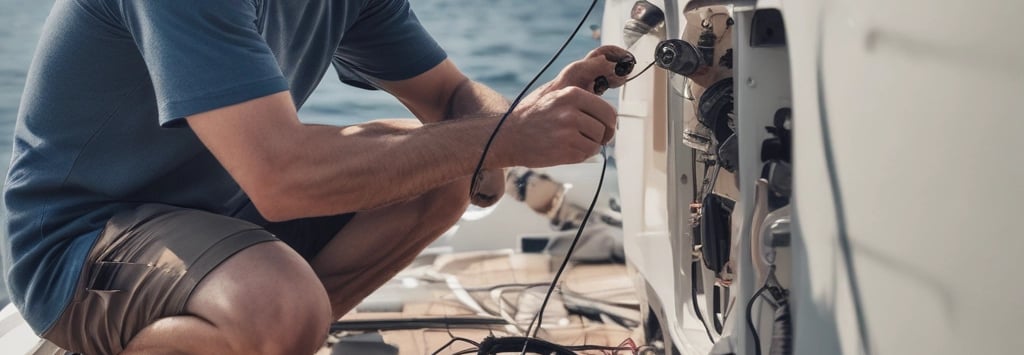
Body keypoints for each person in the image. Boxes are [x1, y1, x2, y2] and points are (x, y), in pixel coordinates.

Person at [2, 0, 633, 354]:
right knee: (277, 301)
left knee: (435, 166)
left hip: (216, 220)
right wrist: (503, 138)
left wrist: (528, 119)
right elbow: (281, 178)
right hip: (81, 247)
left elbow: (453, 101)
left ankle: (269, 342)